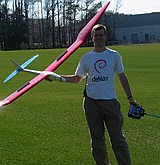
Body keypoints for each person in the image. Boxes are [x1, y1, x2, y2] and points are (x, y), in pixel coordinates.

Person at [48, 24, 137, 165]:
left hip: (110, 103)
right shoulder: (86, 58)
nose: (99, 38)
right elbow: (77, 79)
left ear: (105, 37)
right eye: (96, 35)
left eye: (101, 35)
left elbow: (122, 76)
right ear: (92, 37)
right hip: (91, 103)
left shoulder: (114, 56)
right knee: (97, 141)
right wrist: (56, 77)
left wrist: (130, 98)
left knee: (118, 139)